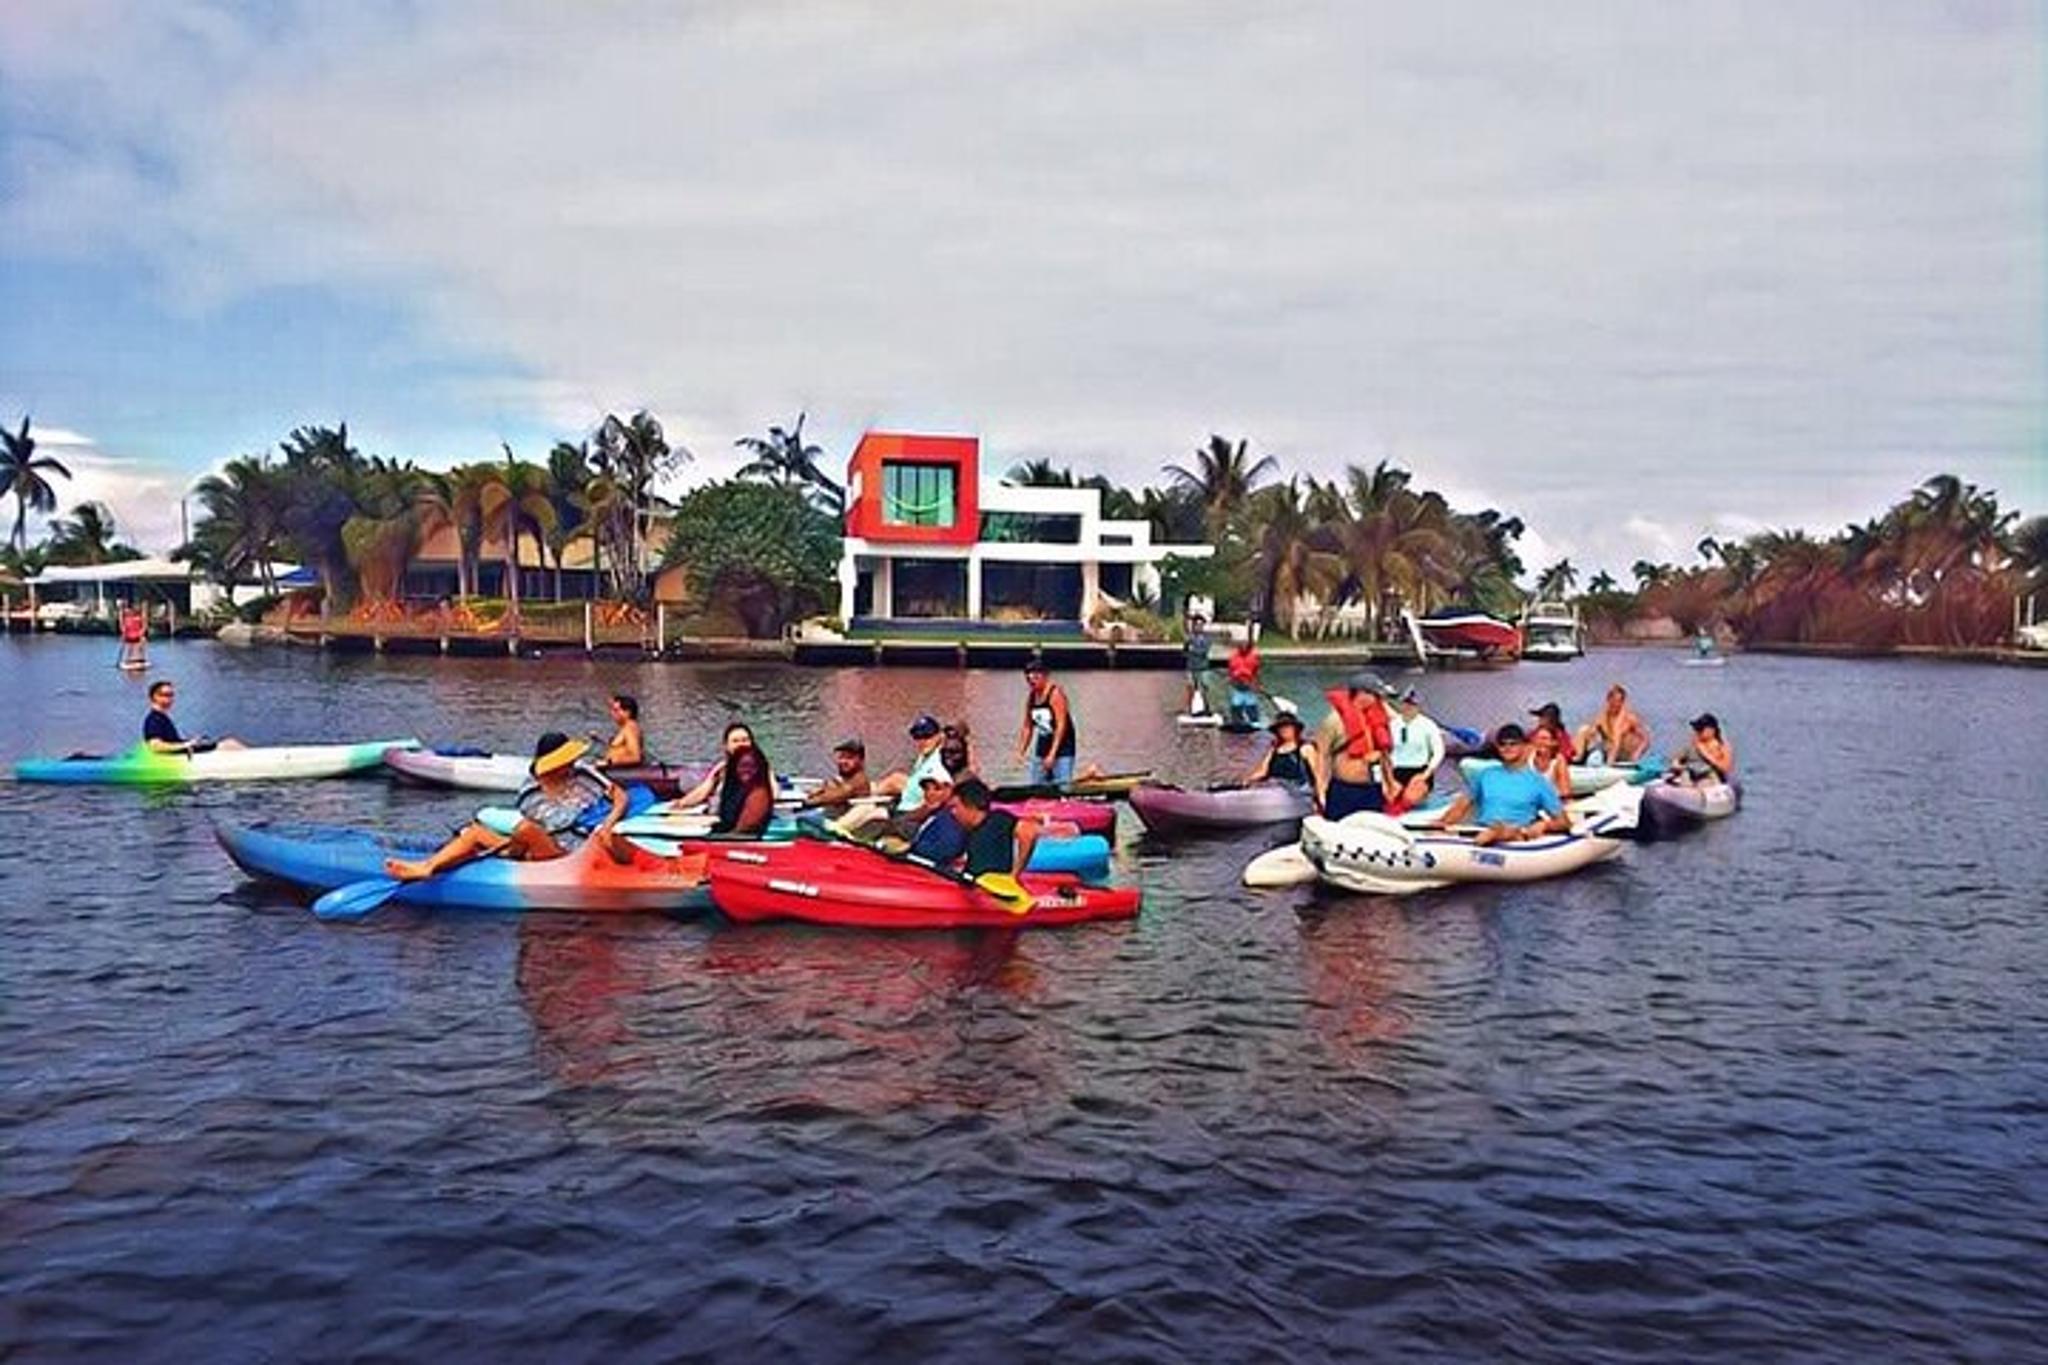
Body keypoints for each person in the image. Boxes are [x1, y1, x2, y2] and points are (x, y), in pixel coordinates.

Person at [384, 731, 627, 880]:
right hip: (557, 851)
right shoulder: (531, 793)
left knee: (518, 834)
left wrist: (608, 824)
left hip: (588, 845)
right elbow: (556, 826)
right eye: (565, 761)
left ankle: (496, 852)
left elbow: (620, 796)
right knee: (483, 831)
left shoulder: (583, 773)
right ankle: (427, 868)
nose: (571, 763)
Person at [1438, 724, 1569, 846]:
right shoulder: (1486, 775)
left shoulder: (1538, 782)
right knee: (1488, 830)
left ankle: (1498, 833)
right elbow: (1461, 806)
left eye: (1513, 744)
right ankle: (1492, 834)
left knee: (1507, 830)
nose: (1507, 748)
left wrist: (1544, 825)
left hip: (1517, 836)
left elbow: (1563, 822)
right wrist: (1440, 826)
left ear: (1525, 746)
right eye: (1502, 744)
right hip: (1482, 830)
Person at [1313, 671, 1399, 819]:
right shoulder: (1334, 721)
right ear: (1361, 694)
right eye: (1375, 695)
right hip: (1344, 788)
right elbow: (1321, 755)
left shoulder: (1379, 719)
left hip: (1372, 787)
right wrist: (1320, 789)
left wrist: (1390, 783)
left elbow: (1385, 755)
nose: (1378, 700)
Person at [674, 722, 778, 835]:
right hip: (716, 819)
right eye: (735, 741)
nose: (741, 744)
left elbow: (773, 793)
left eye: (745, 740)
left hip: (738, 826)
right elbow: (702, 791)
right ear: (726, 746)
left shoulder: (759, 768)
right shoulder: (722, 768)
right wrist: (681, 803)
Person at [945, 777, 1041, 880]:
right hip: (972, 882)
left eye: (955, 807)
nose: (953, 813)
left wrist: (1015, 874)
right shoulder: (966, 829)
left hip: (993, 885)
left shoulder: (998, 820)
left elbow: (1029, 833)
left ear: (970, 805)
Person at [1015, 658, 1078, 784]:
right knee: (1037, 785)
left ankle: (1089, 775)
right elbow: (1028, 726)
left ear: (1045, 676)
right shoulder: (1032, 697)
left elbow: (1061, 726)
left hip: (1063, 747)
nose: (1031, 680)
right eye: (1029, 677)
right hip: (1043, 744)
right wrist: (1020, 751)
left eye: (1036, 676)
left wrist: (1052, 754)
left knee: (1062, 787)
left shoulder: (1055, 694)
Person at [141, 679, 244, 754]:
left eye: (171, 695)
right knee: (230, 744)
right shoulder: (153, 720)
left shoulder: (161, 717)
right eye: (165, 695)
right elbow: (156, 746)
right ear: (154, 697)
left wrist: (190, 742)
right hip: (177, 755)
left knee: (230, 742)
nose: (170, 699)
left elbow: (170, 741)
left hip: (181, 750)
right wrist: (186, 745)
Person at [1387, 686, 1446, 807]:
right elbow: (1385, 752)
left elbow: (1438, 751)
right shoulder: (1392, 724)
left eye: (1413, 704)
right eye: (1406, 703)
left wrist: (1427, 773)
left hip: (1420, 771)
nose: (1408, 707)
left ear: (1418, 707)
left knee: (1411, 798)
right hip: (1396, 770)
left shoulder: (1428, 725)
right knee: (1390, 797)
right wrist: (1388, 777)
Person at [1574, 684, 1651, 764]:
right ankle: (1576, 759)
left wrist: (1637, 753)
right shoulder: (1602, 716)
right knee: (1583, 729)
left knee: (1617, 733)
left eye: (1619, 701)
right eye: (1613, 700)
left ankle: (1609, 764)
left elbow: (1646, 739)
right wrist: (1590, 735)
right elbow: (1592, 731)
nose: (1616, 704)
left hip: (1624, 754)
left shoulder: (1629, 718)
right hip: (1608, 750)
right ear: (1608, 700)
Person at [1245, 710, 1322, 789]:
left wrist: (1321, 794)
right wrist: (1247, 780)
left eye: (1287, 726)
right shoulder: (1274, 750)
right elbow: (1262, 771)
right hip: (1275, 787)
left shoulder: (1306, 748)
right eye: (1280, 727)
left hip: (1298, 790)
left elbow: (1318, 774)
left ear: (1295, 728)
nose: (1284, 730)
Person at [801, 737, 873, 819]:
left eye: (849, 758)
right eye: (841, 757)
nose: (843, 761)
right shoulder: (846, 780)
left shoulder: (858, 781)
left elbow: (836, 796)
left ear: (861, 760)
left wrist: (807, 802)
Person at [1668, 712, 1734, 785]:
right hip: (1690, 774)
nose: (1697, 732)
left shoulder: (1722, 746)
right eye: (1696, 729)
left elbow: (1725, 768)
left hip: (1708, 777)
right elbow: (1676, 759)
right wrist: (1677, 765)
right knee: (1684, 777)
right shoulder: (1692, 744)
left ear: (1712, 730)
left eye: (1700, 729)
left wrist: (1705, 753)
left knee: (1705, 782)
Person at [1224, 628, 1263, 726]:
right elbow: (1230, 672)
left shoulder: (1253, 658)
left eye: (1245, 644)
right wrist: (1230, 679)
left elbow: (1257, 672)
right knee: (1236, 705)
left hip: (1249, 686)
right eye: (1241, 644)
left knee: (1251, 706)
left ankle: (1254, 722)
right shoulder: (1233, 658)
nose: (1243, 646)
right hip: (1238, 687)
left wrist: (1258, 684)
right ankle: (1237, 721)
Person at [601, 693, 645, 767]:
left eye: (616, 710)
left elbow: (635, 757)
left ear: (627, 712)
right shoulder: (626, 728)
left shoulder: (630, 728)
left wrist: (610, 762)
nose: (612, 713)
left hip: (623, 773)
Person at [1182, 615, 1213, 715]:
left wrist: (1193, 651)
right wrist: (1190, 651)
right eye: (1197, 625)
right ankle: (1189, 708)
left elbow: (1204, 651)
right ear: (1193, 626)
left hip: (1204, 667)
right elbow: (1185, 652)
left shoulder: (1207, 638)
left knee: (1205, 687)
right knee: (1190, 687)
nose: (1199, 627)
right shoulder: (1189, 638)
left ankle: (1207, 707)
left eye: (1201, 625)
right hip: (1191, 667)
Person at [117, 603, 147, 669]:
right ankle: (128, 659)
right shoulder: (126, 619)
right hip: (128, 635)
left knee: (142, 641)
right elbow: (122, 625)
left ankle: (142, 658)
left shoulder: (138, 618)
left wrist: (141, 633)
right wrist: (123, 633)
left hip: (137, 634)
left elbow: (144, 624)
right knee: (129, 646)